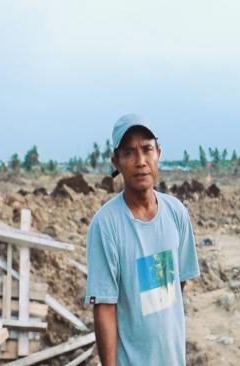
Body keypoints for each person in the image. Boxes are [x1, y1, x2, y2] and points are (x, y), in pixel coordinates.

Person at [85, 114, 200, 365]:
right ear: (116, 161)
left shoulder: (176, 213)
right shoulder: (106, 225)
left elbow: (177, 284)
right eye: (129, 153)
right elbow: (104, 306)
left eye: (147, 149)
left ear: (158, 152)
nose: (140, 161)